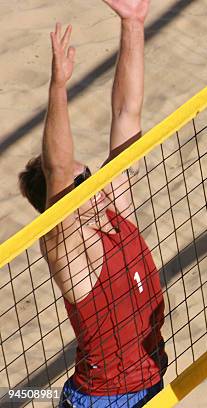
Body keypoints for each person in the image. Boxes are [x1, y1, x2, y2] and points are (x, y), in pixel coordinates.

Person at [18, 1, 166, 406]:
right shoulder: (69, 248)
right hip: (104, 401)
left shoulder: (113, 208)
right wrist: (58, 88)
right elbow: (59, 167)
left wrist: (133, 25)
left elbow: (125, 112)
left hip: (150, 381)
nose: (94, 181)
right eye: (84, 180)